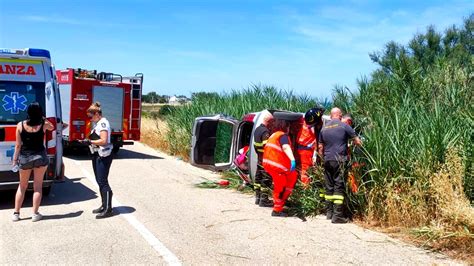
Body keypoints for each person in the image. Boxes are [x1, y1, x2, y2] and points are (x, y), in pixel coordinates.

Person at [11, 102, 54, 222]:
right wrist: (43, 117)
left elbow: (18, 146)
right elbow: (52, 127)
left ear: (28, 112)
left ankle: (16, 213)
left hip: (25, 158)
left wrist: (15, 160)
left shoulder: (20, 125)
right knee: (37, 187)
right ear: (40, 113)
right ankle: (35, 214)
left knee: (22, 186)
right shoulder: (43, 124)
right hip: (40, 157)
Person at [319, 108, 362, 223]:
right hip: (340, 160)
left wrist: (324, 158)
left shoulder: (324, 128)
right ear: (339, 115)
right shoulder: (344, 126)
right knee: (339, 185)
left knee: (329, 185)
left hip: (327, 160)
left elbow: (320, 147)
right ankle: (338, 215)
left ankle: (329, 213)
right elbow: (357, 141)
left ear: (331, 115)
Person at [79, 102, 114, 219]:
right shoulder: (98, 123)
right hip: (97, 154)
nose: (90, 119)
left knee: (103, 181)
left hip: (104, 155)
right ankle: (104, 205)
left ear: (97, 114)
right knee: (99, 181)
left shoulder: (103, 123)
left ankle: (108, 209)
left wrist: (90, 142)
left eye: (91, 116)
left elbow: (103, 140)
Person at [262, 119, 297, 217]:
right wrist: (293, 160)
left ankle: (282, 202)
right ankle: (277, 210)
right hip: (277, 166)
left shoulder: (274, 134)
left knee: (292, 177)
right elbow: (285, 147)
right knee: (280, 187)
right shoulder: (282, 135)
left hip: (270, 164)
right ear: (286, 127)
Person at [296, 107, 324, 188]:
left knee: (305, 170)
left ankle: (306, 187)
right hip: (306, 150)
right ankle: (306, 188)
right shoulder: (312, 126)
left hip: (303, 149)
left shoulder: (304, 120)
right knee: (305, 171)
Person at [252, 110, 274, 207]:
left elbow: (255, 145)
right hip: (265, 159)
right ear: (269, 121)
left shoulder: (257, 129)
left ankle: (258, 197)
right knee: (266, 179)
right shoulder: (265, 132)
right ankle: (264, 200)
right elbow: (267, 147)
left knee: (258, 178)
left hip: (259, 158)